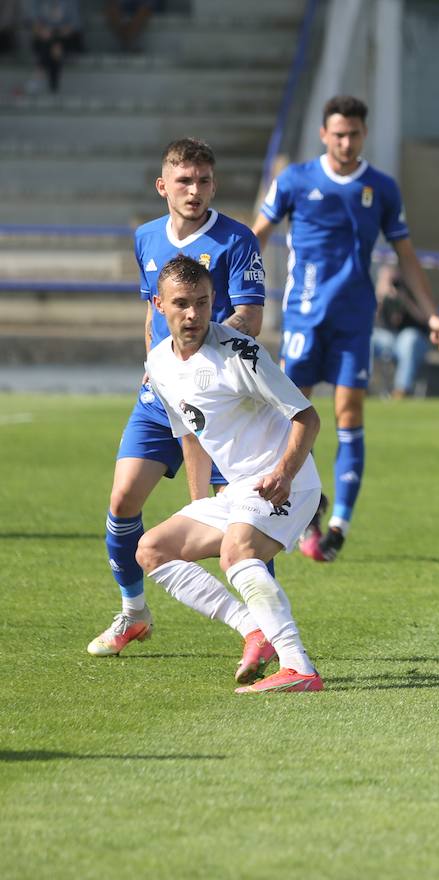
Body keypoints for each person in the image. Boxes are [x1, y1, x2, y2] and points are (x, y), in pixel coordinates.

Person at [252, 94, 439, 562]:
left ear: (364, 136)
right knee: (292, 418)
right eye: (338, 134)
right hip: (303, 315)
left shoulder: (381, 189)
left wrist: (433, 315)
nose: (346, 142)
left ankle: (340, 521)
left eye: (354, 134)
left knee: (348, 411)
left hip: (353, 319)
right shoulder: (296, 180)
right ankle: (309, 509)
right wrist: (231, 289)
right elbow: (257, 235)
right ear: (324, 134)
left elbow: (406, 255)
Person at [87, 138, 266, 659]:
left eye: (204, 181)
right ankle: (134, 613)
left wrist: (193, 362)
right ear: (162, 186)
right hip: (158, 395)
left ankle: (265, 631)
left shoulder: (238, 240)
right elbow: (153, 316)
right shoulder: (145, 238)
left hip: (221, 401)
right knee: (122, 502)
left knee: (240, 524)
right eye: (184, 181)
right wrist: (159, 369)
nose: (195, 191)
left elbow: (249, 320)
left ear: (214, 184)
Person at [134, 255, 324, 693]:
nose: (193, 314)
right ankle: (252, 628)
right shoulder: (160, 365)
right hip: (238, 491)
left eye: (202, 302)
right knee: (153, 550)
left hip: (287, 484)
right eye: (181, 303)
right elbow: (192, 437)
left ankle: (299, 667)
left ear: (213, 300)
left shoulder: (241, 353)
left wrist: (284, 473)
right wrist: (199, 501)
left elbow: (307, 418)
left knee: (237, 552)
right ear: (159, 305)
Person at [370, 263, 431, 398]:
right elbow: (369, 319)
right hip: (387, 339)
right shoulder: (380, 293)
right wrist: (379, 296)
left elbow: (425, 319)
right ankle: (360, 387)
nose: (394, 284)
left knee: (409, 339)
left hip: (413, 338)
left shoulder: (414, 290)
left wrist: (405, 300)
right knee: (366, 339)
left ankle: (401, 390)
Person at [25, 0, 82, 92]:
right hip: (43, 37)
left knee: (54, 43)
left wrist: (60, 32)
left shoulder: (72, 2)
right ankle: (53, 84)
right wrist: (41, 31)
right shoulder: (37, 2)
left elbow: (75, 24)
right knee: (54, 46)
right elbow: (33, 20)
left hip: (65, 37)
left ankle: (39, 72)